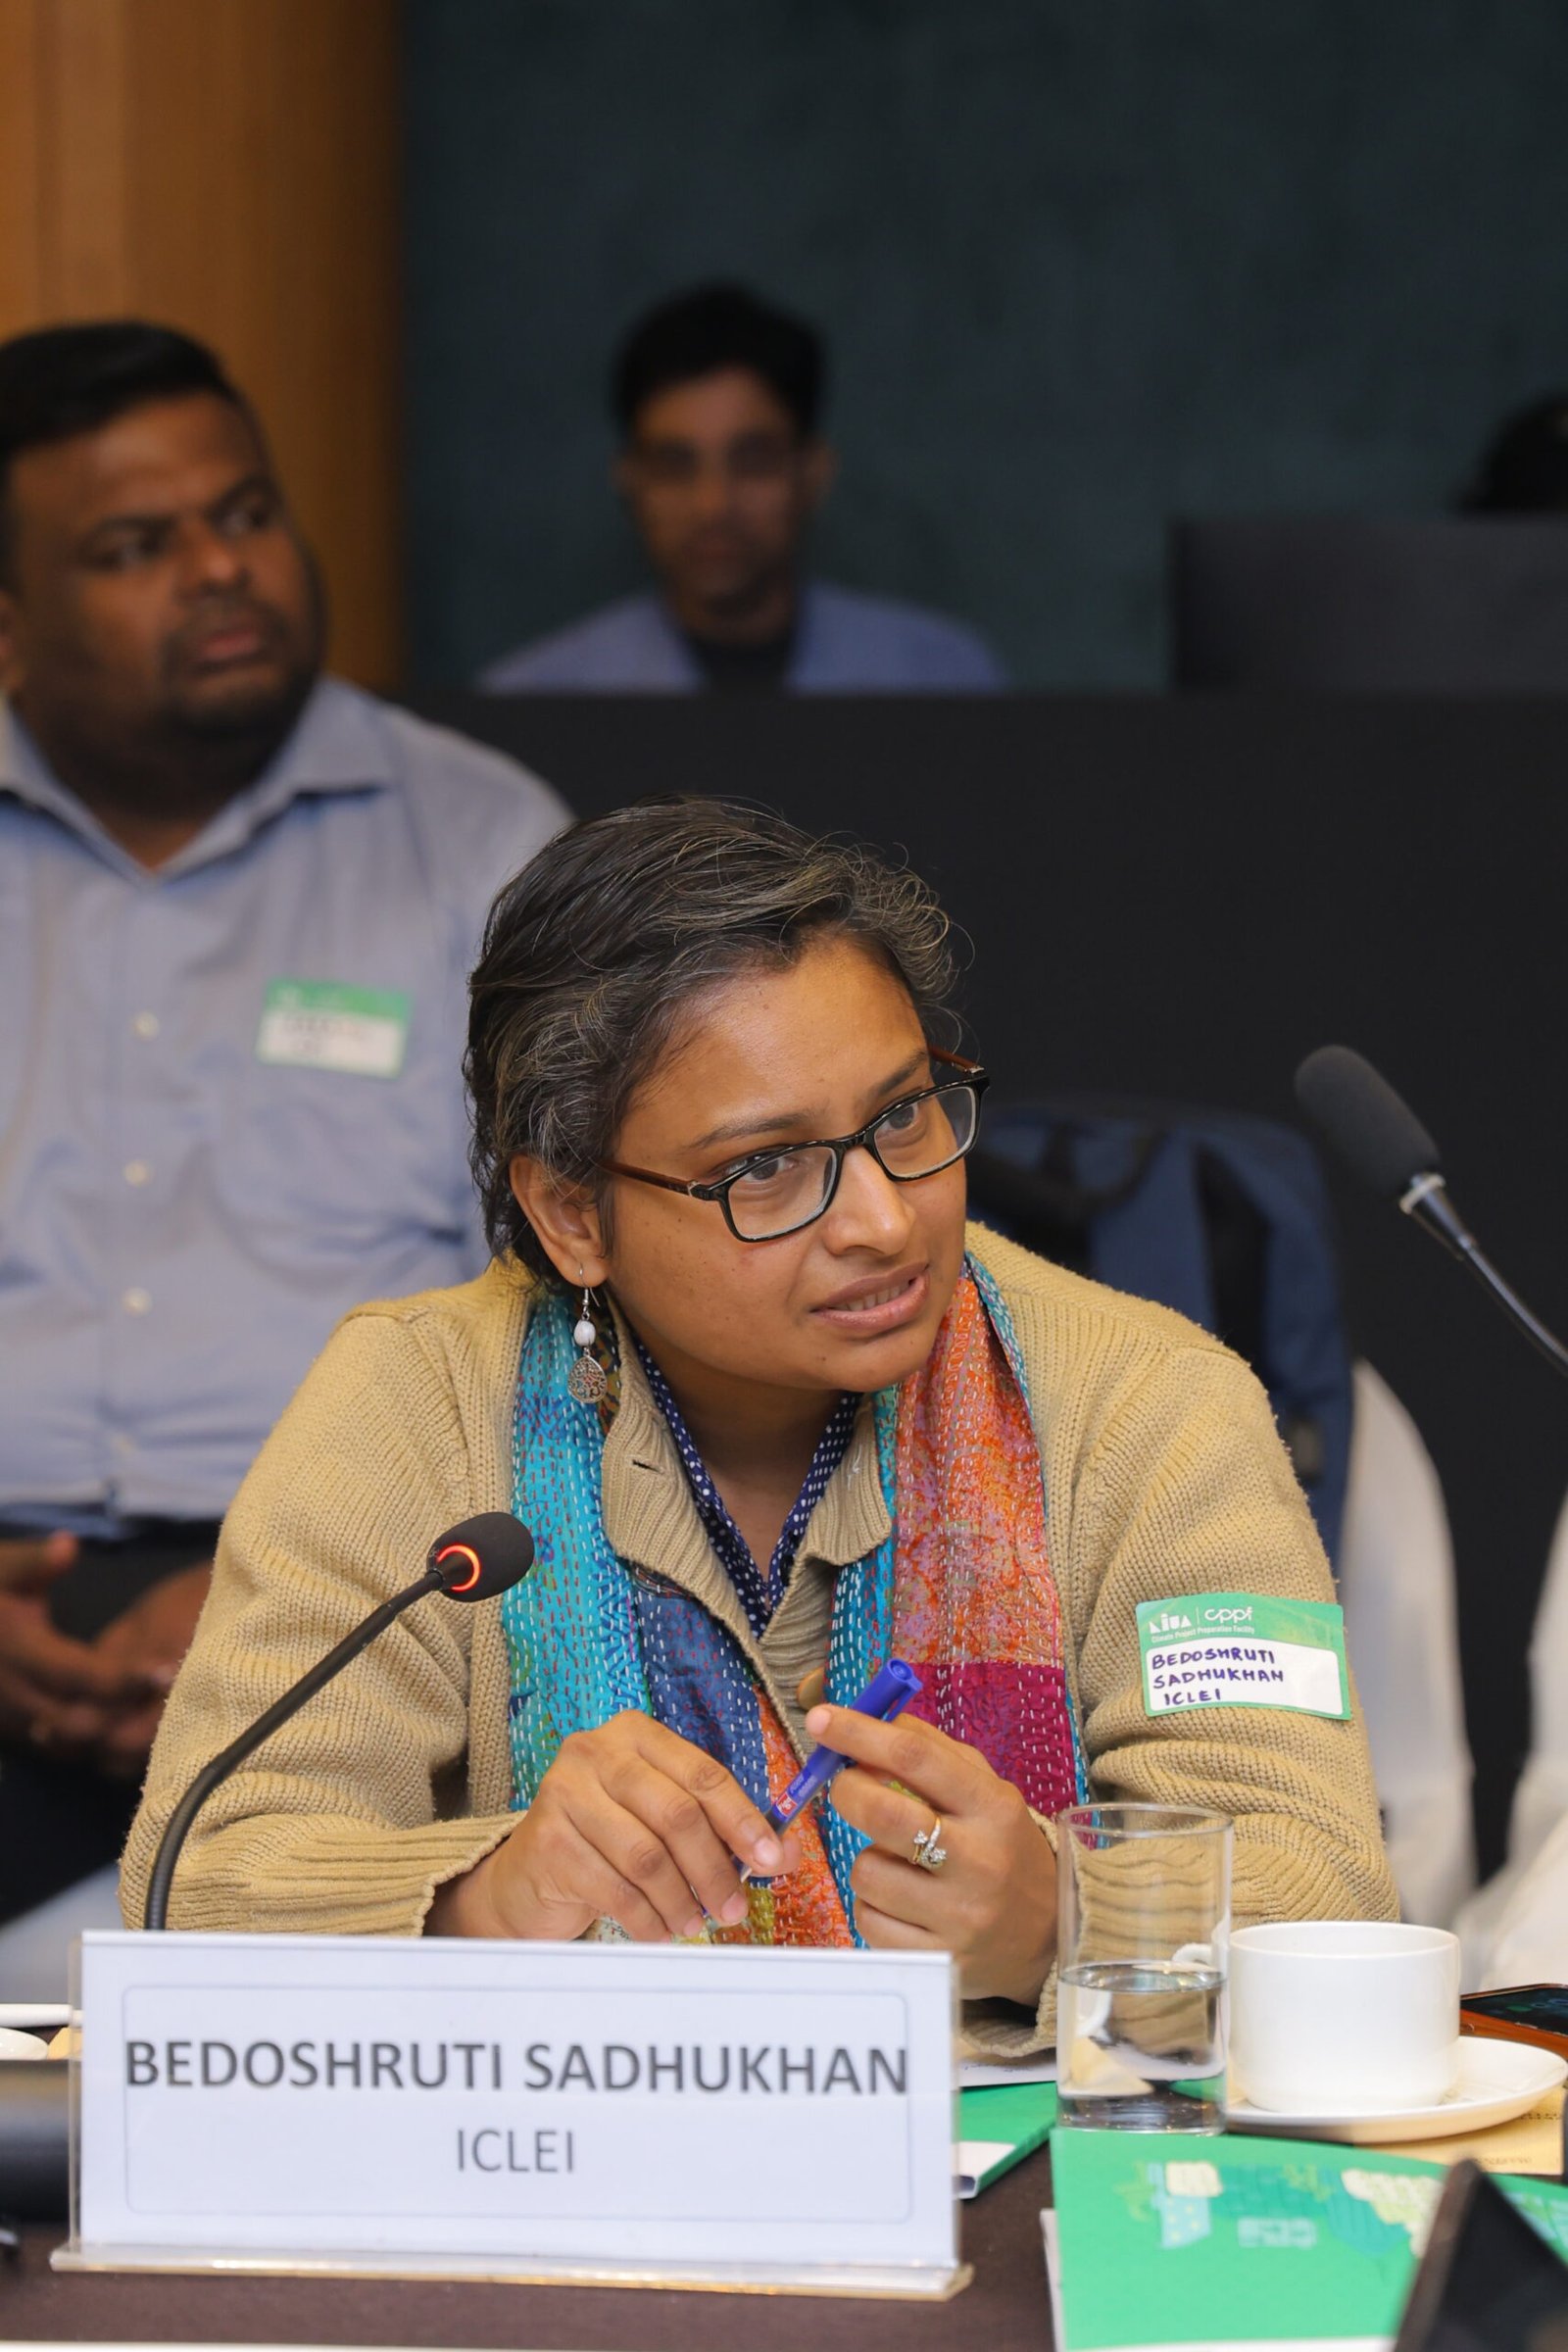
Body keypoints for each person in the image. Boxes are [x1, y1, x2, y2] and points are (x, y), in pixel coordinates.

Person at [123, 799, 1394, 2050]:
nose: (883, 1221)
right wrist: (486, 1901)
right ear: (571, 1214)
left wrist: (1062, 1920)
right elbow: (199, 1882)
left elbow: (1327, 1894)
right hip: (567, 2164)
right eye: (765, 1169)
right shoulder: (413, 1405)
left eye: (902, 1117)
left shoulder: (1148, 1404)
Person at [0, 319, 568, 1955]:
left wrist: (295, 1577)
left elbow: (585, 1306)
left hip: (372, 1605)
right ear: (11, 622)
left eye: (243, 514)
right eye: (135, 546)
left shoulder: (484, 850)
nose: (218, 569)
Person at [479, 283, 1006, 695]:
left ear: (813, 472)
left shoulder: (940, 676)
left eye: (753, 462)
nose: (714, 505)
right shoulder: (535, 698)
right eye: (674, 465)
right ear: (630, 479)